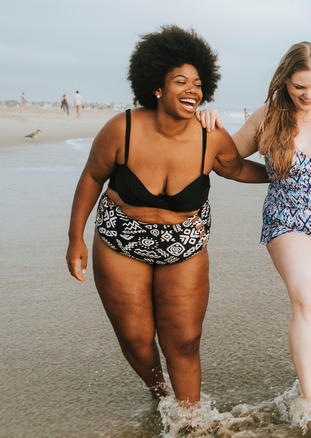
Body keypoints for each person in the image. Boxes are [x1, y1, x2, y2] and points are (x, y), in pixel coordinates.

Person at [66, 25, 268, 406]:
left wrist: (283, 173)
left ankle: (189, 418)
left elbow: (238, 169)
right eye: (180, 81)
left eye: (197, 83)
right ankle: (161, 395)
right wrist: (75, 237)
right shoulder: (121, 129)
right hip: (120, 240)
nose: (192, 90)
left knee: (185, 340)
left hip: (184, 244)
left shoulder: (211, 138)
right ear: (157, 87)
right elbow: (92, 177)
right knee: (135, 338)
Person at [200, 42, 311, 401]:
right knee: (308, 300)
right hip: (288, 218)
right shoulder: (268, 115)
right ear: (284, 81)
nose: (308, 95)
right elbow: (226, 159)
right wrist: (210, 124)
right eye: (299, 86)